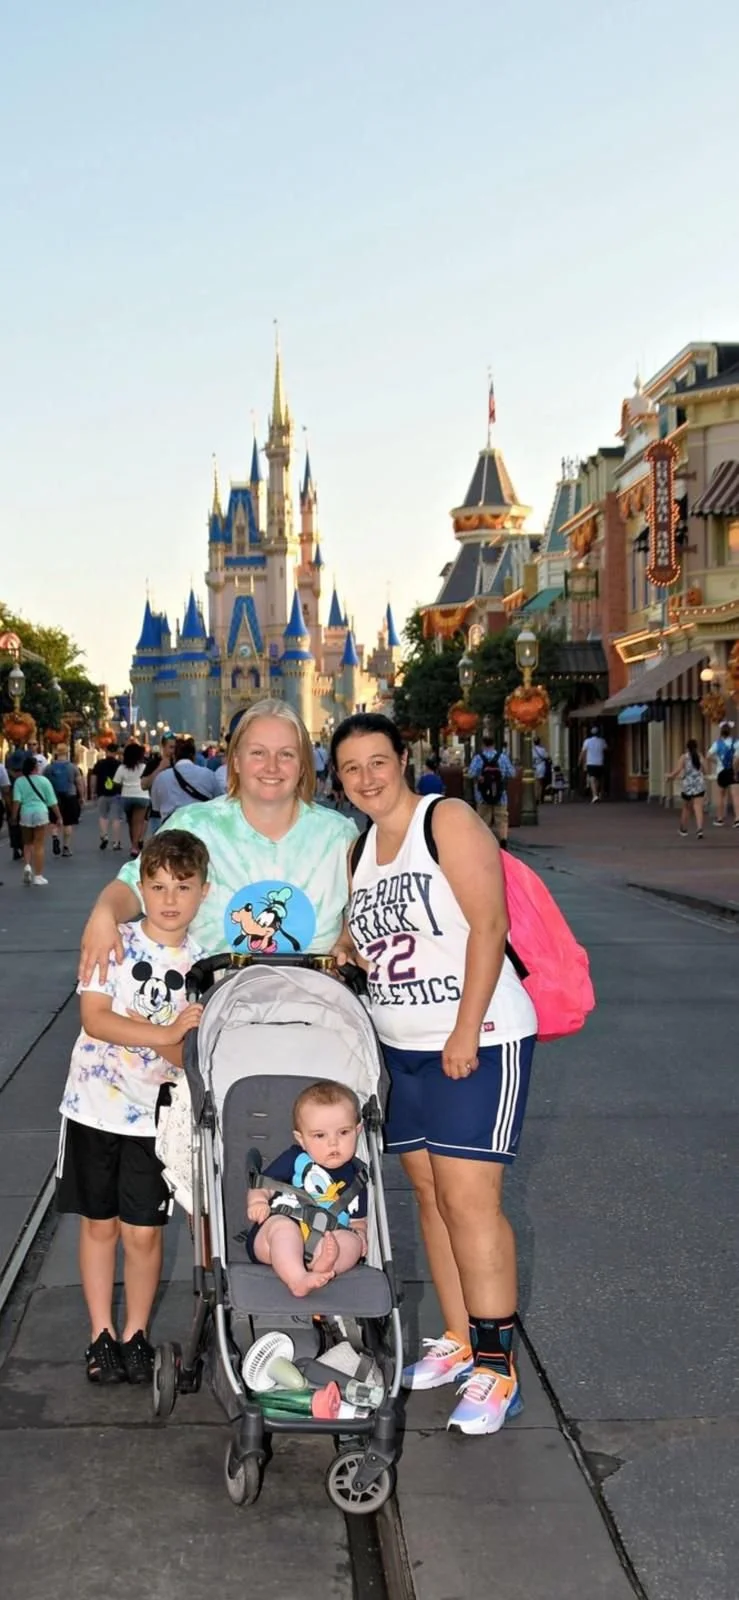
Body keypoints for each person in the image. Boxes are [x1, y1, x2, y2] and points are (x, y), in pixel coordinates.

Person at [332, 712, 537, 1437]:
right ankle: (457, 1339)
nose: (366, 777)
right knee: (429, 1194)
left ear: (401, 759)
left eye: (377, 761)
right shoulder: (360, 849)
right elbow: (370, 935)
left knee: (469, 1199)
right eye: (351, 768)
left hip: (474, 1039)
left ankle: (496, 1368)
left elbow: (489, 925)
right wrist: (347, 953)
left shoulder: (441, 820)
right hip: (403, 1048)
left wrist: (462, 1029)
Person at [57, 830, 208, 1384]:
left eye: (183, 886)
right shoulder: (113, 941)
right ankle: (100, 1332)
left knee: (143, 1231)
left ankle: (135, 1332)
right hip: (94, 1108)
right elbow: (95, 1018)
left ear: (203, 893)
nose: (169, 898)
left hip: (157, 1117)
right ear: (139, 887)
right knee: (99, 1224)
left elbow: (188, 1049)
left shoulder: (202, 965)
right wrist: (165, 1031)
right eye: (158, 885)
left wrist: (170, 1038)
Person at [79, 700, 359, 984]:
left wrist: (346, 942)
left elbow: (365, 910)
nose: (272, 766)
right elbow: (133, 885)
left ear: (302, 765)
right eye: (258, 753)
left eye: (286, 754)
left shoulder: (337, 836)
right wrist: (104, 914)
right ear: (235, 760)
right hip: (216, 1013)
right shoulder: (195, 826)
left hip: (317, 1012)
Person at [245, 1082, 367, 1297]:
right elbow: (262, 1185)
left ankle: (325, 1267)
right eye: (320, 1136)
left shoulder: (357, 1176)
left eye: (343, 1132)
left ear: (358, 1131)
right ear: (301, 1139)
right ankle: (297, 1278)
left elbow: (358, 1220)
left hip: (329, 1236)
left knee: (351, 1242)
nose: (333, 1143)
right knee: (282, 1228)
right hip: (277, 1238)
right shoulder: (294, 1159)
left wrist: (361, 1235)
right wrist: (257, 1201)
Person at [11, 755, 62, 886]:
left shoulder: (19, 782)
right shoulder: (44, 781)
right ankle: (38, 876)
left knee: (27, 843)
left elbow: (17, 801)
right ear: (35, 767)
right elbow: (52, 801)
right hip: (40, 812)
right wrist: (58, 816)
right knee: (39, 845)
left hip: (26, 813)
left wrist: (14, 816)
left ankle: (27, 866)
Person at [149, 736, 219, 822]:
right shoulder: (208, 775)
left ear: (174, 756)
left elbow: (156, 807)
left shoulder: (161, 777)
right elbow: (218, 801)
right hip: (200, 827)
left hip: (171, 827)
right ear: (193, 756)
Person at [468, 739, 515, 848]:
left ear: (483, 744)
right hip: (500, 794)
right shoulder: (502, 757)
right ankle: (503, 840)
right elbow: (512, 773)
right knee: (502, 819)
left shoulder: (478, 758)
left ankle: (485, 843)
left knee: (484, 819)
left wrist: (479, 777)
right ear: (494, 744)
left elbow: (470, 774)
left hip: (482, 795)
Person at [47, 744, 86, 857]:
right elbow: (79, 783)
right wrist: (82, 797)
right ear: (67, 752)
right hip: (70, 796)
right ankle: (66, 847)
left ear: (56, 753)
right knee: (68, 823)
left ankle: (55, 836)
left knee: (54, 821)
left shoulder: (49, 768)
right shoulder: (72, 767)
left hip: (54, 797)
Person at [667, 739, 708, 838]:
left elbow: (678, 770)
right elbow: (706, 769)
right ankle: (699, 829)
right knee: (698, 807)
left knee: (686, 807)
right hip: (699, 784)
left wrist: (670, 777)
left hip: (688, 785)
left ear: (687, 747)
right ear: (696, 746)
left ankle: (683, 828)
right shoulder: (700, 756)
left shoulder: (684, 757)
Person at [114, 742, 149, 858]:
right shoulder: (144, 767)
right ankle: (135, 846)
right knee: (138, 822)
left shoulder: (122, 768)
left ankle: (133, 845)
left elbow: (116, 783)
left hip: (126, 796)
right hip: (141, 795)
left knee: (131, 822)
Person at [90, 746, 123, 851]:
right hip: (116, 794)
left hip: (102, 793)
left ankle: (104, 836)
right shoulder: (119, 765)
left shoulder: (99, 764)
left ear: (106, 751)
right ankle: (116, 842)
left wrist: (93, 791)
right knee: (116, 818)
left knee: (103, 816)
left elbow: (93, 778)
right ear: (116, 752)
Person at [708, 722, 739, 827]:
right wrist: (734, 770)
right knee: (735, 796)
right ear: (730, 732)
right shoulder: (736, 742)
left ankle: (720, 818)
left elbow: (708, 756)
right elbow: (736, 759)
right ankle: (737, 819)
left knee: (721, 796)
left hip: (721, 771)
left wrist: (717, 761)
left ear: (721, 732)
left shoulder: (717, 744)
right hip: (733, 771)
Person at [580, 726, 607, 802]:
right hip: (600, 762)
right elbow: (606, 749)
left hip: (591, 762)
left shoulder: (587, 741)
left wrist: (580, 761)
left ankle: (594, 795)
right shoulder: (602, 741)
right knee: (598, 778)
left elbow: (583, 752)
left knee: (592, 778)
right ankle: (597, 793)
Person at [532, 739, 551, 806]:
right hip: (541, 766)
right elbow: (547, 756)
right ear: (539, 742)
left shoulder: (532, 750)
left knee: (535, 783)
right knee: (541, 783)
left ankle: (535, 797)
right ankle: (540, 798)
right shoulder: (542, 749)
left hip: (535, 767)